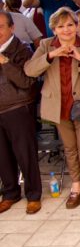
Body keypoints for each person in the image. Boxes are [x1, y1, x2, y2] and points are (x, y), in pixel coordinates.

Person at [24, 8, 80, 209]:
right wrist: (51, 55)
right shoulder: (45, 45)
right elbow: (30, 70)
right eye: (61, 26)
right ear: (54, 29)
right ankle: (77, 185)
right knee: (69, 148)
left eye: (70, 25)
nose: (66, 30)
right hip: (58, 104)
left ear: (76, 26)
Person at [0, 11, 41, 215]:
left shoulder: (22, 50)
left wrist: (5, 62)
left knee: (25, 154)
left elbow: (26, 81)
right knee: (2, 155)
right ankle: (10, 193)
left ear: (11, 28)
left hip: (18, 107)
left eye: (0, 27)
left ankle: (33, 195)